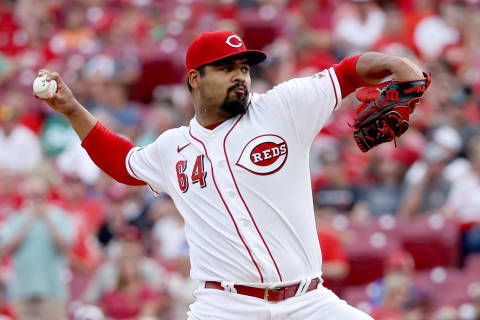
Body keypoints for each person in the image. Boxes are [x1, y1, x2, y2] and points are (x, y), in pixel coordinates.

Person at [36, 30, 425, 319]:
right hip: (225, 306)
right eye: (226, 68)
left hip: (308, 301)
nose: (240, 75)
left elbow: (348, 73)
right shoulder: (174, 147)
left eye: (243, 67)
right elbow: (122, 163)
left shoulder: (282, 107)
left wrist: (396, 65)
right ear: (195, 79)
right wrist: (72, 109)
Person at [0, 174, 74, 320]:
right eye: (33, 194)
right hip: (21, 291)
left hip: (52, 292)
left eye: (39, 194)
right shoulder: (16, 218)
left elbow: (65, 246)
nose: (36, 198)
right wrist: (30, 219)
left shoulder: (60, 217)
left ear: (47, 194)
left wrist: (46, 218)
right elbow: (7, 249)